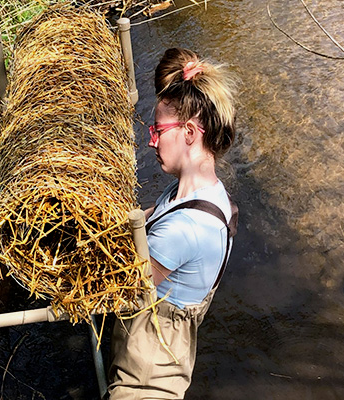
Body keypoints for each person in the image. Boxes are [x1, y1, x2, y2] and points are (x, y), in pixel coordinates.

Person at [107, 47, 239, 399]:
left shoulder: (185, 230)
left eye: (158, 129)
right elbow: (150, 219)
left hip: (148, 382)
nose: (150, 138)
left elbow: (117, 286)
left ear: (191, 133)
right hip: (162, 357)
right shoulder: (207, 196)